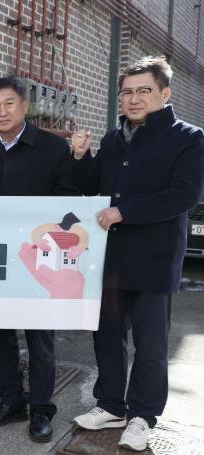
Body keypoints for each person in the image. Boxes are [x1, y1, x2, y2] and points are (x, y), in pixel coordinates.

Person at [71, 56, 204, 452]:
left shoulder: (188, 137)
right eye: (126, 92)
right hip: (110, 257)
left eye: (143, 90)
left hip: (154, 259)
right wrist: (80, 157)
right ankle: (111, 404)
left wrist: (124, 212)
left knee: (151, 345)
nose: (133, 98)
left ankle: (143, 415)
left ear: (165, 93)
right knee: (107, 336)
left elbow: (186, 194)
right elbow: (93, 187)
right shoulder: (114, 139)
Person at [0, 76, 79, 442]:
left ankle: (41, 408)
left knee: (40, 338)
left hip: (40, 261)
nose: (2, 112)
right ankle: (10, 399)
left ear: (25, 106)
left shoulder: (52, 149)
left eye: (9, 104)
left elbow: (70, 203)